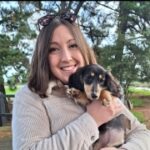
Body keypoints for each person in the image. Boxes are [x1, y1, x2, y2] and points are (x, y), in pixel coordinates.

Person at [12, 11, 150, 150]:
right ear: (43, 56)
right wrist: (92, 119)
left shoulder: (102, 89)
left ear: (84, 49)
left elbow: (142, 134)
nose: (66, 57)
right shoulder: (30, 97)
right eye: (53, 49)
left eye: (72, 45)